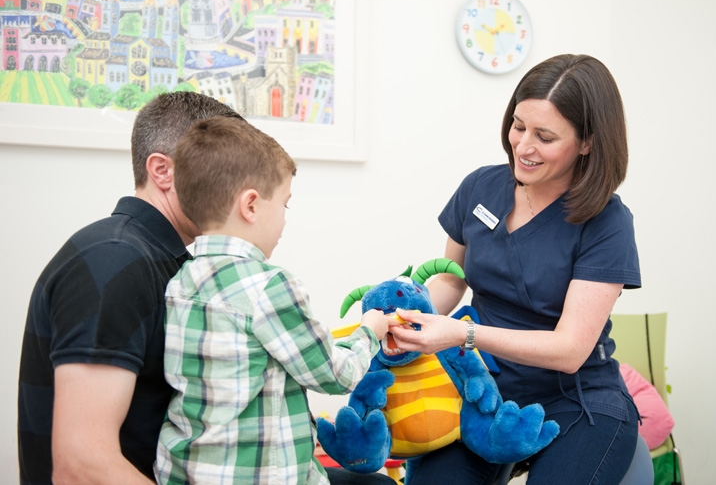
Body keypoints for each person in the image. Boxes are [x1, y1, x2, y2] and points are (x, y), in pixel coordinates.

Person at [389, 54, 642, 484]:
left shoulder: (606, 221)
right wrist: (408, 317)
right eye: (518, 126)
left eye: (545, 136)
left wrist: (460, 333)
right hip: (484, 391)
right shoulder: (481, 186)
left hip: (578, 402)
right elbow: (453, 277)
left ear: (587, 143)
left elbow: (569, 350)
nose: (523, 147)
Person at [154, 116, 398, 485]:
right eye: (285, 205)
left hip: (184, 472)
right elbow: (336, 375)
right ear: (251, 206)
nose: (285, 220)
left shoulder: (179, 281)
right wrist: (369, 331)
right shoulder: (270, 287)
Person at [17, 92, 245, 485]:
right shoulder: (116, 259)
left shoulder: (164, 260)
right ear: (162, 171)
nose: (242, 193)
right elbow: (82, 464)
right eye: (226, 171)